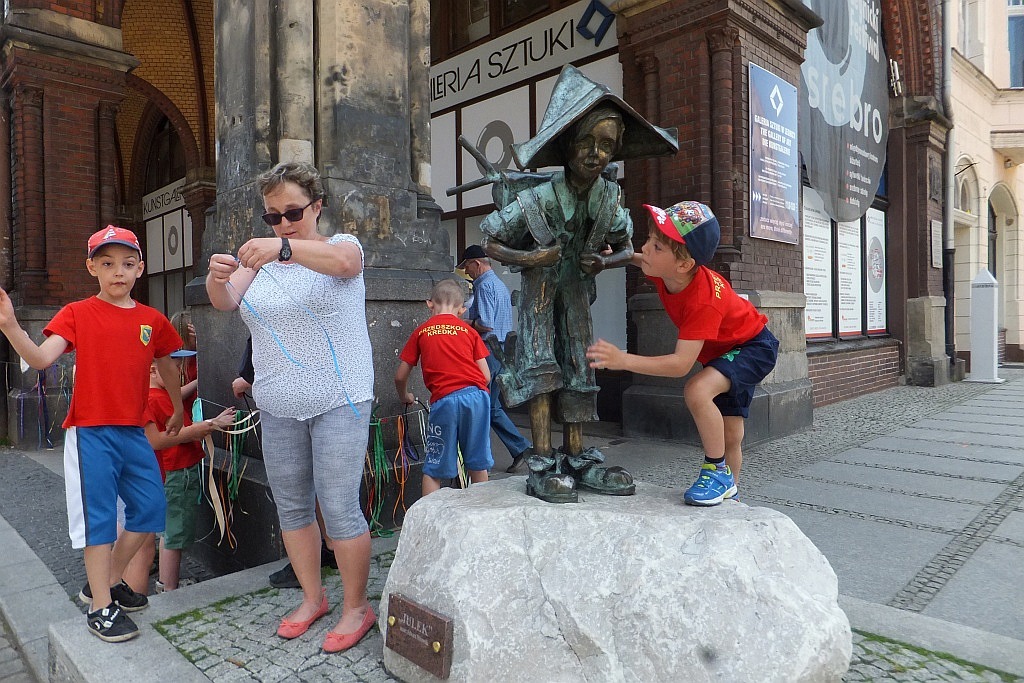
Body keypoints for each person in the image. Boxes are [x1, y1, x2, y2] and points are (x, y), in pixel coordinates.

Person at [474, 67, 676, 503]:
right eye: (587, 142)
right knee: (542, 368)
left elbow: (628, 248)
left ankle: (579, 457)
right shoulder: (540, 196)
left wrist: (605, 262)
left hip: (577, 298)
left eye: (606, 145)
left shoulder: (608, 197)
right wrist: (529, 258)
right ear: (568, 144)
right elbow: (489, 239)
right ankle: (544, 462)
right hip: (540, 298)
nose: (596, 153)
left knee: (580, 368)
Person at [206, 161, 376, 653]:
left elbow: (346, 266)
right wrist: (220, 278)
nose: (283, 223)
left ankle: (356, 606)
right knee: (293, 506)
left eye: (293, 212)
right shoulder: (258, 266)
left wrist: (283, 248)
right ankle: (312, 597)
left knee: (340, 506)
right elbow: (225, 302)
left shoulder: (341, 246)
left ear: (317, 207)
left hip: (338, 397)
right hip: (278, 400)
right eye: (272, 217)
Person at [0, 226, 184, 642]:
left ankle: (107, 580)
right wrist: (11, 326)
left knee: (152, 509)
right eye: (107, 263)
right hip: (91, 435)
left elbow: (169, 363)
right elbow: (41, 358)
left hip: (134, 431)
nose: (118, 271)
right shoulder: (77, 312)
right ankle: (101, 607)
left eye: (126, 263)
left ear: (141, 267)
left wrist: (174, 408)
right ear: (91, 267)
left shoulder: (151, 319)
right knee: (98, 520)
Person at [586, 202, 779, 505]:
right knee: (730, 433)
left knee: (697, 389)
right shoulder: (671, 272)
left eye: (657, 246)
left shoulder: (702, 299)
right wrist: (618, 259)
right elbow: (642, 260)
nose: (645, 249)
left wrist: (624, 360)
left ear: (683, 264)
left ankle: (716, 472)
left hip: (753, 348)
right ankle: (731, 494)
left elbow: (680, 365)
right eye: (648, 239)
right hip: (727, 352)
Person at [144, 349, 235, 591]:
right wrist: (213, 424)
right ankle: (169, 588)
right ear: (153, 370)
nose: (179, 374)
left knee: (172, 531)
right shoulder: (156, 399)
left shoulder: (157, 393)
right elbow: (176, 434)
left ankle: (167, 582)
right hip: (177, 472)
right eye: (174, 369)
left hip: (174, 471)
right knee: (174, 533)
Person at [395, 278, 493, 495]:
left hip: (444, 401)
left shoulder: (422, 332)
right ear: (462, 309)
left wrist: (405, 395)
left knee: (434, 466)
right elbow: (485, 375)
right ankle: (483, 517)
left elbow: (400, 376)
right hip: (476, 398)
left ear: (429, 304)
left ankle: (427, 523)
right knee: (477, 463)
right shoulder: (469, 332)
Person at [457, 244, 532, 473]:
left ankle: (483, 461)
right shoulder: (498, 284)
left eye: (466, 267)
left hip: (488, 351)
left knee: (484, 406)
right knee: (491, 406)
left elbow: (486, 324)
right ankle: (520, 448)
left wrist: (463, 322)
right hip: (500, 351)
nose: (466, 272)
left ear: (477, 264)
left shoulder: (483, 286)